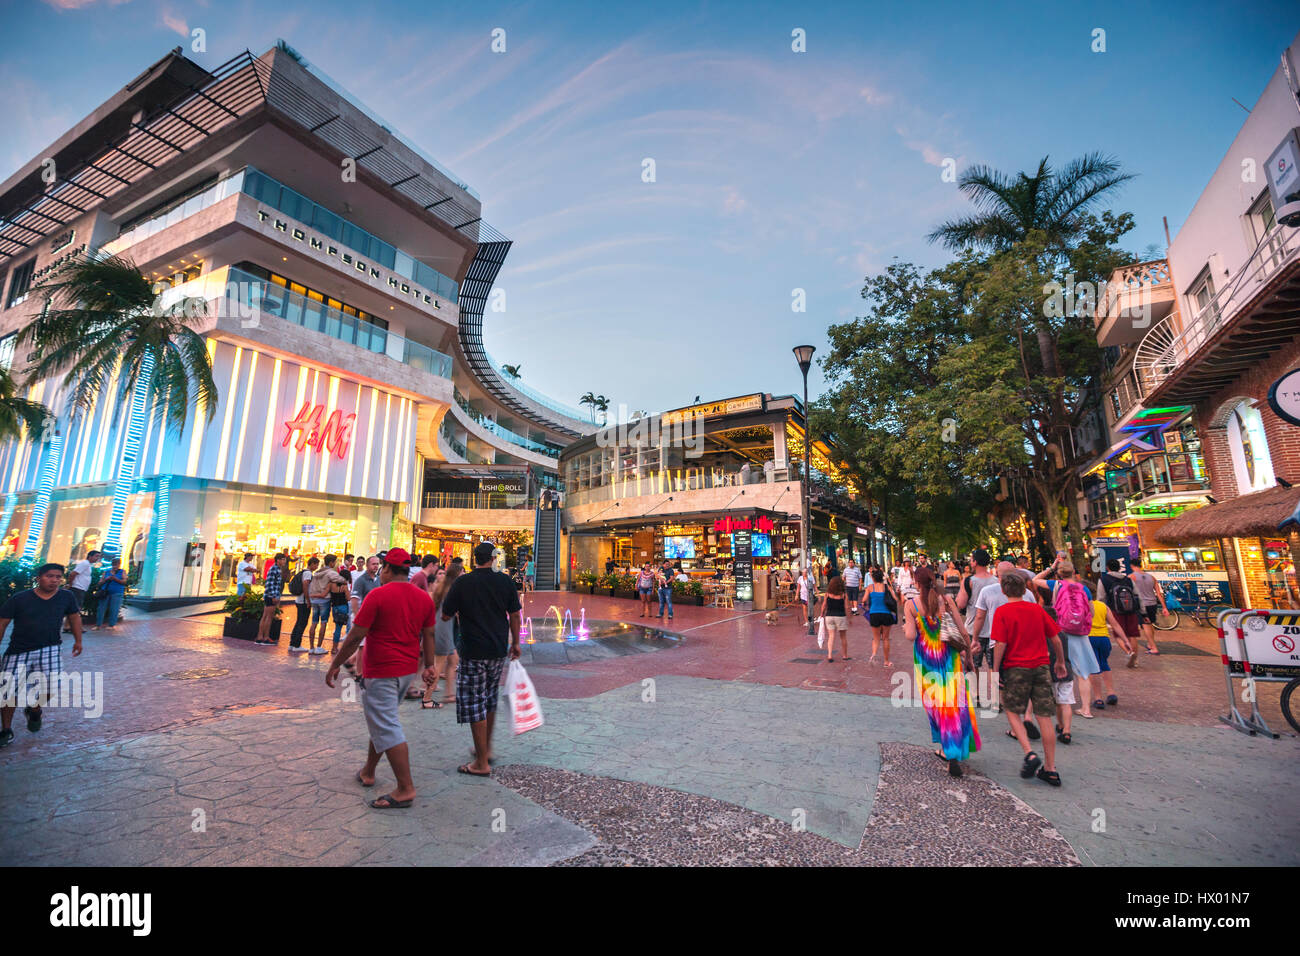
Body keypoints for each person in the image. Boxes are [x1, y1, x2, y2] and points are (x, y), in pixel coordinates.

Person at [326, 548, 436, 810]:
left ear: (387, 569)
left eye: (382, 568)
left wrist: (335, 664)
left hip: (382, 670)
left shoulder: (378, 595)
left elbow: (355, 636)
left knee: (386, 724)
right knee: (384, 719)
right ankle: (368, 771)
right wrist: (430, 666)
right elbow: (429, 635)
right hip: (406, 670)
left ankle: (405, 788)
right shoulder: (423, 599)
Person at [438, 541, 522, 777]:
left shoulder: (463, 582)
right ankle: (485, 749)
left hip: (473, 649)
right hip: (497, 648)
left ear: (475, 558)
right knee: (489, 698)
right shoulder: (504, 580)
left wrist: (461, 612)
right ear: (494, 558)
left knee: (475, 702)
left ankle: (481, 762)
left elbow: (445, 615)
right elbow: (515, 614)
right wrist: (515, 642)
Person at [989, 572, 1068, 786]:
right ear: (1025, 589)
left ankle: (1029, 752)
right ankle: (1051, 768)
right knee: (1044, 716)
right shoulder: (1037, 610)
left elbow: (1000, 644)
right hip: (1041, 666)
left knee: (1012, 709)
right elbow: (1056, 639)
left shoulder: (1002, 612)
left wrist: (995, 670)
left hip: (1016, 667)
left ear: (1003, 590)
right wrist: (1060, 662)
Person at [0, 564, 83, 748]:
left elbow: (75, 617)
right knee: (8, 692)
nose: (54, 580)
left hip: (50, 648)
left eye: (58, 577)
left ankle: (34, 708)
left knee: (53, 685)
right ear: (38, 577)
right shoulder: (20, 599)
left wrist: (78, 640)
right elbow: (3, 622)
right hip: (18, 651)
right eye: (49, 576)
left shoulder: (66, 596)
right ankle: (6, 729)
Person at [905, 583, 980, 777]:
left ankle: (947, 749)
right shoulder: (946, 600)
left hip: (926, 660)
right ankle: (952, 749)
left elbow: (910, 635)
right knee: (954, 702)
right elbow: (963, 631)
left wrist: (908, 625)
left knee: (936, 703)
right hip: (949, 657)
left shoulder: (911, 604)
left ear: (917, 583)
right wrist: (969, 658)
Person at [1045, 559, 1102, 734]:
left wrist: (1051, 567)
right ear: (1074, 573)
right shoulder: (1083, 588)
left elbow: (1034, 579)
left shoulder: (1056, 585)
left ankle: (1061, 712)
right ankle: (1086, 708)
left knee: (1061, 668)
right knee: (1083, 673)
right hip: (1080, 633)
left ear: (1059, 573)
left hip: (1062, 631)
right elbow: (1091, 611)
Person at [1088, 594, 1133, 709]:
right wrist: (1125, 640)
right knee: (1104, 664)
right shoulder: (1103, 606)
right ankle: (1111, 693)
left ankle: (1098, 698)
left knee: (1093, 668)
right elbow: (1115, 625)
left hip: (1089, 638)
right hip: (1104, 638)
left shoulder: (1083, 605)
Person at [1097, 560, 1142, 667]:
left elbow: (1101, 597)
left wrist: (1102, 612)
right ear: (1119, 567)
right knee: (1132, 634)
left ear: (1108, 567)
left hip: (1115, 610)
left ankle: (1129, 653)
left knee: (1118, 634)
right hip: (1131, 610)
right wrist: (1143, 612)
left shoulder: (1104, 579)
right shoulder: (1128, 579)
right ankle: (1135, 659)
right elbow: (1137, 595)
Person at [306, 554, 346, 655]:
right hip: (324, 600)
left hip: (315, 600)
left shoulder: (317, 573)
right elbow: (342, 580)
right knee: (323, 622)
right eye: (335, 562)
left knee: (314, 622)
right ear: (331, 562)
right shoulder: (330, 573)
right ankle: (319, 647)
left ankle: (311, 647)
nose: (336, 564)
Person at [1128, 558, 1167, 656]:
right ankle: (1150, 644)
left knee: (1146, 625)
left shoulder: (1131, 577)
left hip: (1141, 605)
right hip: (1152, 603)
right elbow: (1158, 593)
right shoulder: (1152, 577)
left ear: (1131, 566)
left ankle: (1154, 647)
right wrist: (1164, 607)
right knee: (1150, 624)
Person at [864, 568, 897, 667]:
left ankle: (873, 655)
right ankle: (886, 661)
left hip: (874, 614)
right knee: (886, 638)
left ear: (873, 578)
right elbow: (895, 599)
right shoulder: (887, 587)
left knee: (876, 638)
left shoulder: (870, 587)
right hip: (886, 613)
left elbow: (864, 599)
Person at [817, 575, 850, 662]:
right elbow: (847, 607)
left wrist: (821, 614)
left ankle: (830, 655)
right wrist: (849, 618)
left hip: (829, 616)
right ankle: (845, 655)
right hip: (840, 616)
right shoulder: (844, 595)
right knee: (843, 637)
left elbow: (824, 605)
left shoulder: (827, 594)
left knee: (831, 636)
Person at [288, 556, 318, 652]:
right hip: (303, 601)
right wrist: (308, 600)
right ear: (312, 564)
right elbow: (305, 585)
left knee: (298, 622)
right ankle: (296, 645)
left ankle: (292, 644)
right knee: (302, 622)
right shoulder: (308, 573)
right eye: (316, 564)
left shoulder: (303, 572)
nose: (317, 567)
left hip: (299, 600)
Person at [255, 553, 286, 645]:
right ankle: (265, 637)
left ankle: (260, 637)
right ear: (278, 560)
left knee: (265, 616)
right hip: (271, 596)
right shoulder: (274, 569)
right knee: (268, 617)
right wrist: (273, 596)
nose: (284, 561)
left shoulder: (276, 569)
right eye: (283, 559)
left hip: (269, 596)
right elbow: (269, 584)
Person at [92, 558, 128, 630]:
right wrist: (106, 579)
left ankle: (111, 625)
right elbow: (99, 583)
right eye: (114, 564)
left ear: (119, 564)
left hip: (117, 593)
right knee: (101, 608)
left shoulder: (122, 572)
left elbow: (124, 582)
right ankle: (98, 625)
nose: (115, 566)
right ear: (112, 564)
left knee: (114, 609)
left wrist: (115, 579)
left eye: (117, 564)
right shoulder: (106, 572)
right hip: (105, 592)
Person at [67, 549, 101, 618]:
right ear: (90, 556)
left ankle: (68, 626)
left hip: (81, 589)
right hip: (77, 588)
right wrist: (70, 584)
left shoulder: (88, 565)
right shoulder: (85, 563)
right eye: (96, 556)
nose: (97, 558)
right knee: (76, 609)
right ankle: (68, 626)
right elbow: (73, 574)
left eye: (98, 557)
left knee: (74, 608)